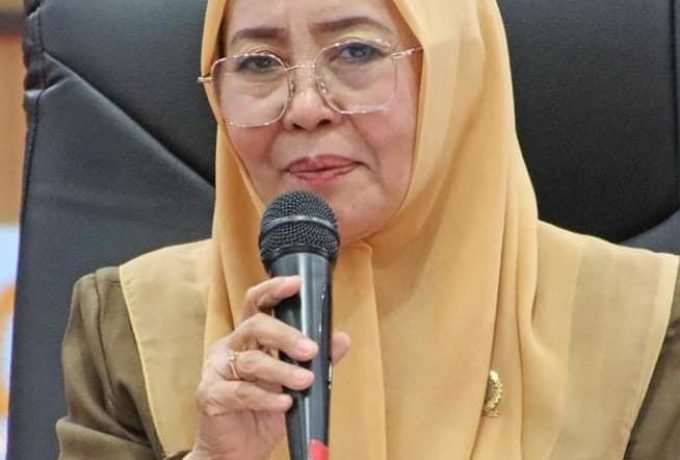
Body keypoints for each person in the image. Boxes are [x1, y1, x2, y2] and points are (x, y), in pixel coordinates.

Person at [56, 0, 680, 458]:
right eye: (258, 62)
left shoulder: (644, 326)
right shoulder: (132, 324)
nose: (305, 109)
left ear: (455, 74)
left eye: (357, 52)